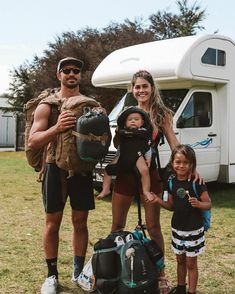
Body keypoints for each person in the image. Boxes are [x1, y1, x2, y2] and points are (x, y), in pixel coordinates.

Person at [28, 57, 97, 294]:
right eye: (66, 70)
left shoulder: (89, 105)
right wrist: (56, 128)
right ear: (58, 75)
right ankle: (51, 276)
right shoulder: (47, 105)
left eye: (76, 71)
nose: (71, 74)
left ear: (80, 76)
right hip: (53, 169)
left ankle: (77, 272)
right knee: (52, 223)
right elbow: (33, 140)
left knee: (80, 222)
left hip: (81, 170)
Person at [110, 69, 180, 294]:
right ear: (133, 89)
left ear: (152, 88)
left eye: (144, 86)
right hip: (125, 175)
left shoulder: (162, 114)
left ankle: (160, 274)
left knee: (153, 226)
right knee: (117, 225)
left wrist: (187, 165)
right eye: (137, 86)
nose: (141, 90)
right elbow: (117, 142)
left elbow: (173, 143)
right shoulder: (127, 112)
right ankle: (112, 271)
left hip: (150, 174)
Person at [152, 144, 212, 294]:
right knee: (179, 261)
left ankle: (191, 291)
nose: (181, 165)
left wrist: (198, 204)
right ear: (172, 163)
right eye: (178, 162)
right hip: (177, 228)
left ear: (192, 164)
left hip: (193, 230)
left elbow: (209, 204)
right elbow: (171, 206)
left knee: (191, 263)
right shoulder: (171, 181)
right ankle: (180, 288)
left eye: (185, 162)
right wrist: (158, 200)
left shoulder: (197, 182)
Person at [97, 106, 155, 202]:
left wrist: (148, 158)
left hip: (137, 155)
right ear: (124, 122)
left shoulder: (143, 133)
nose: (133, 121)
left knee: (144, 171)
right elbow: (118, 146)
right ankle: (105, 189)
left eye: (136, 119)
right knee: (107, 170)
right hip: (123, 155)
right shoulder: (122, 132)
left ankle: (146, 191)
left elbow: (147, 146)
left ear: (142, 122)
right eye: (130, 119)